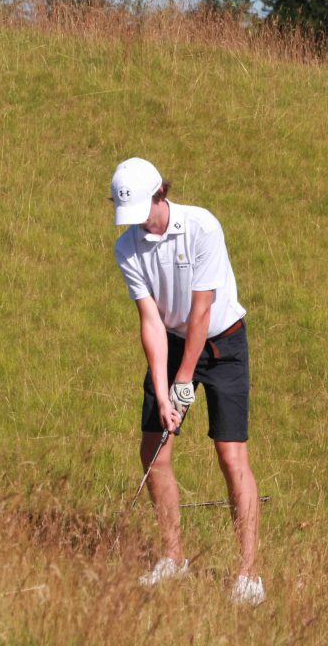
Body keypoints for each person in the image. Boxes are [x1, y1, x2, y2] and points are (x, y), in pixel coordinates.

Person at [110, 157, 265, 606]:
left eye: (143, 209)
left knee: (231, 456)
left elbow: (202, 311)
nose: (139, 222)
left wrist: (183, 382)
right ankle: (173, 558)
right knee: (153, 451)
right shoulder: (127, 248)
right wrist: (164, 394)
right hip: (174, 342)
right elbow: (151, 322)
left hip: (224, 344)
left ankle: (248, 576)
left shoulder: (202, 227)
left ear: (160, 194)